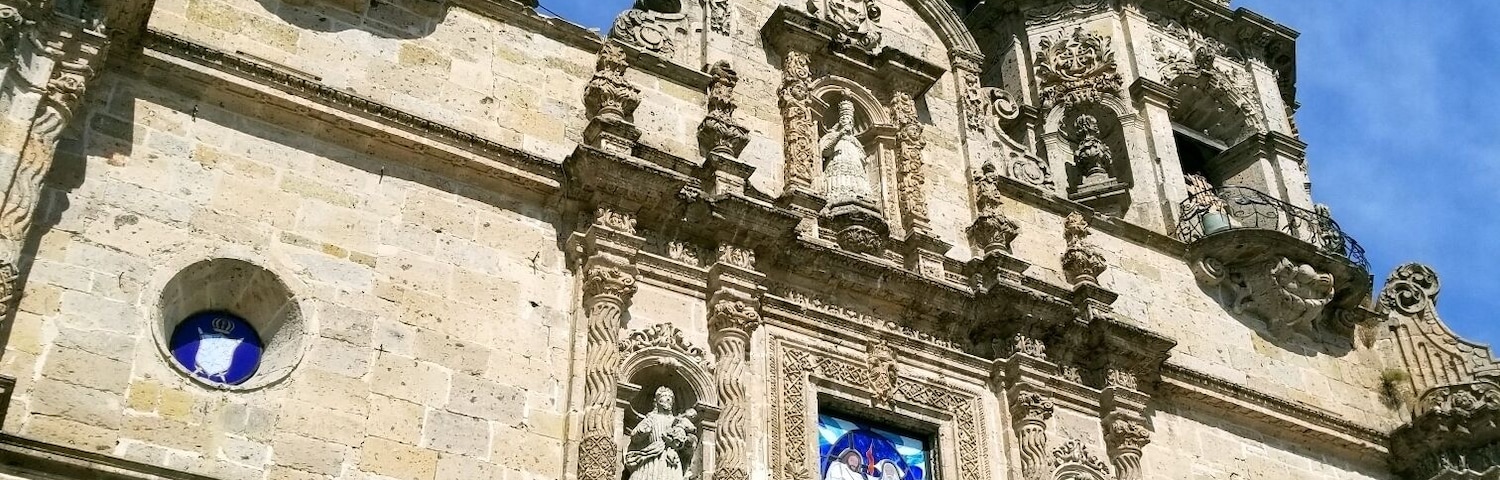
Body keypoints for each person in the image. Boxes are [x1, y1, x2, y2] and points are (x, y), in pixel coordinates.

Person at [625, 387, 696, 480]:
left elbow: (690, 438)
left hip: (670, 459)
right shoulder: (651, 419)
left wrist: (682, 440)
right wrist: (642, 432)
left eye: (670, 397)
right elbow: (634, 437)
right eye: (664, 396)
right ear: (657, 401)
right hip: (651, 456)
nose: (667, 399)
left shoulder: (677, 421)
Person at [820, 95, 874, 204]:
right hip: (838, 163)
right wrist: (840, 134)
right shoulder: (833, 135)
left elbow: (863, 159)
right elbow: (825, 151)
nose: (847, 121)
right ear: (839, 121)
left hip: (854, 168)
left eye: (849, 119)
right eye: (844, 118)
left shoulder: (855, 141)